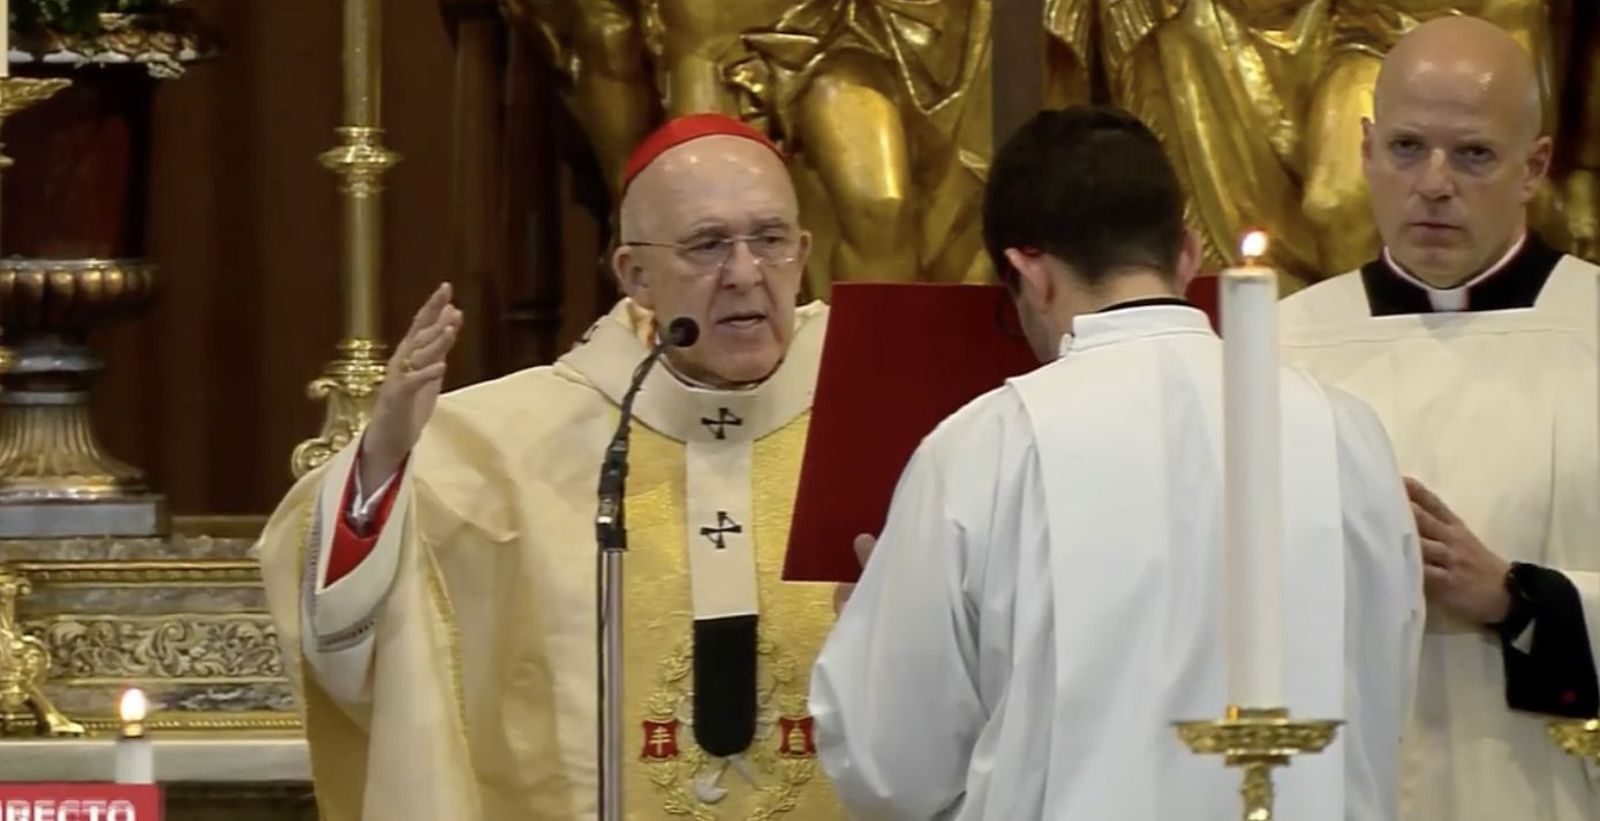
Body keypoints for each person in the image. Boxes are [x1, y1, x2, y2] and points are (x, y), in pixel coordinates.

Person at [808, 105, 1424, 820]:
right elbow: (1383, 695)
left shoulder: (983, 449)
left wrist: (872, 628)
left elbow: (891, 768)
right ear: (1189, 254)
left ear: (1028, 274)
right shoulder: (1344, 431)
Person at [254, 113, 849, 819]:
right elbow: (348, 636)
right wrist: (382, 454)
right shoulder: (504, 443)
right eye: (707, 245)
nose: (746, 274)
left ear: (804, 251)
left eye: (771, 240)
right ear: (636, 275)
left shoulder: (883, 414)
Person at [1278, 15, 1600, 821]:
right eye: (1407, 147)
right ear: (1365, 148)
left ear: (1535, 167)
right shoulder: (1277, 345)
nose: (1433, 183)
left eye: (1474, 155)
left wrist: (1521, 599)